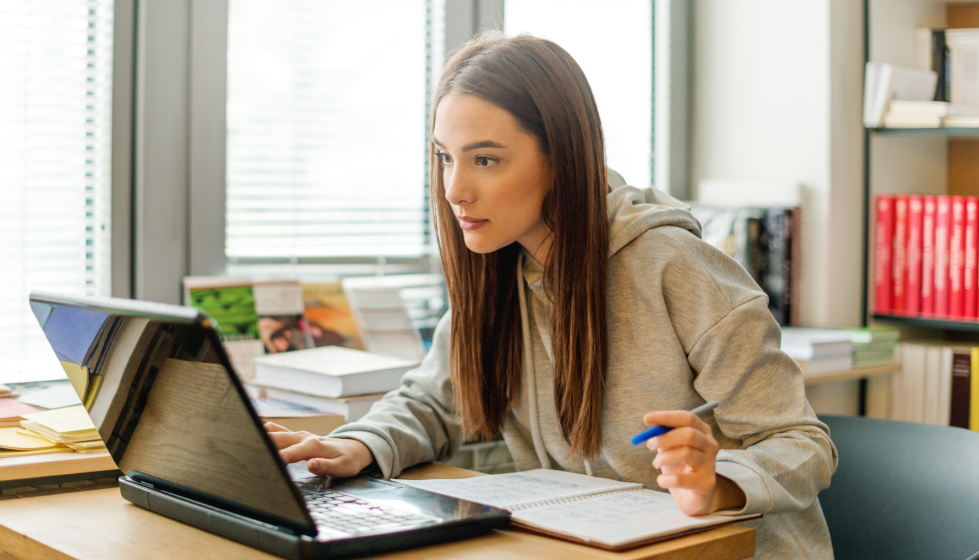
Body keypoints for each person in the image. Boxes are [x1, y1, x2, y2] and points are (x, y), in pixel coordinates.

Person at [263, 32, 838, 559]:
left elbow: (802, 441)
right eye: (445, 157)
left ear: (562, 156)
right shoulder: (499, 268)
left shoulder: (675, 267)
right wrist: (355, 446)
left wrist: (719, 483)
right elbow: (432, 403)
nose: (455, 189)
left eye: (484, 159)